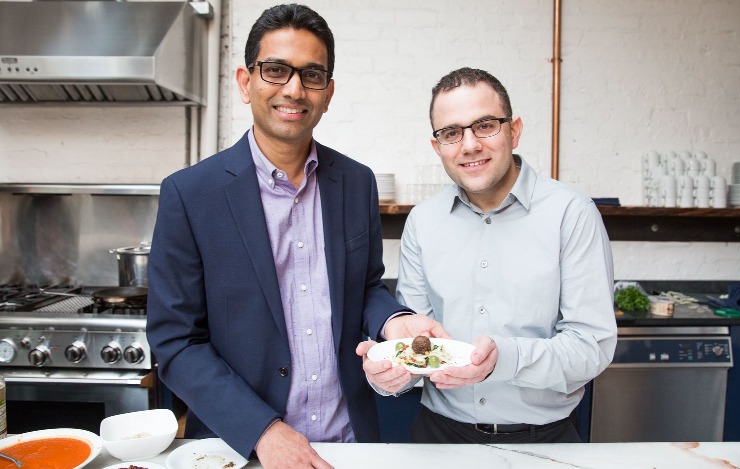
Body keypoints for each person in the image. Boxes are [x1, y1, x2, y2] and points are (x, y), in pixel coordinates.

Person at [146, 4, 443, 468]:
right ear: (246, 83)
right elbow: (177, 343)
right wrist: (261, 429)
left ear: (328, 92)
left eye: (311, 75)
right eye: (276, 70)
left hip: (349, 442)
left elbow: (364, 288)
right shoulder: (190, 194)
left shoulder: (356, 182)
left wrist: (395, 321)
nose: (294, 89)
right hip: (240, 447)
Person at [359, 67, 617, 444]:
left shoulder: (571, 213)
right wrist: (390, 373)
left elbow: (590, 348)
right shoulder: (423, 221)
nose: (469, 145)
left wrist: (503, 359)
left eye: (484, 126)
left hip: (545, 439)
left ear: (514, 130)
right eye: (451, 133)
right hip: (438, 437)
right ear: (438, 147)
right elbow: (420, 345)